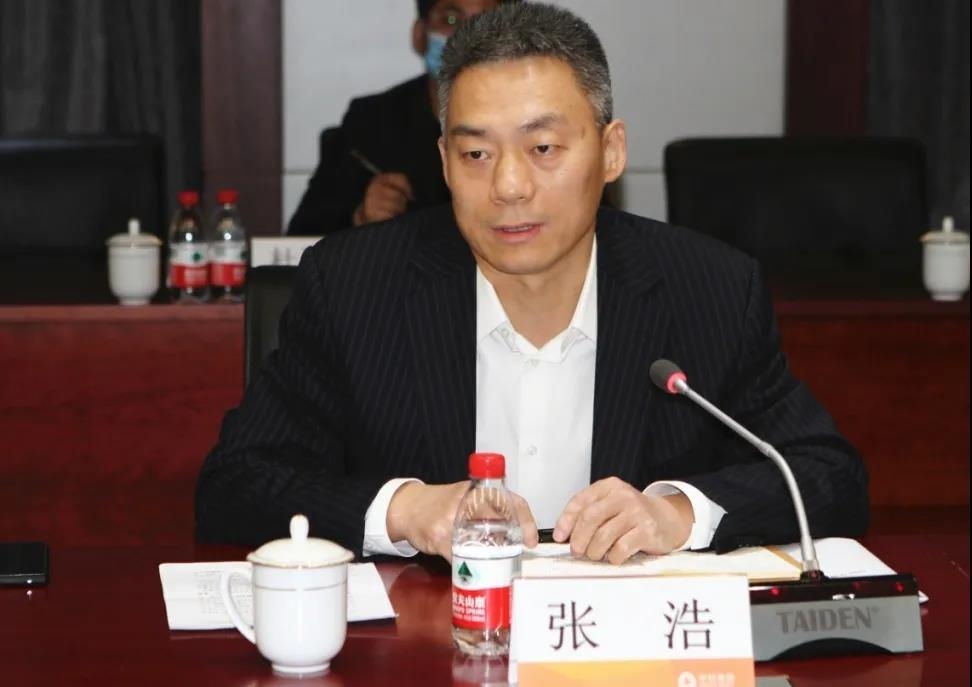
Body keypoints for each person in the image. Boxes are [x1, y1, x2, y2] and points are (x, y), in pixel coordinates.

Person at [197, 2, 868, 564]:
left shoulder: (709, 289)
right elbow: (235, 483)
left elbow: (828, 475)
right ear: (443, 162)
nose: (510, 186)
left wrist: (677, 514)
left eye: (543, 148)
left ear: (611, 151)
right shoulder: (353, 287)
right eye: (476, 153)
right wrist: (406, 509)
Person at [286, 0, 514, 236]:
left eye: (487, 23)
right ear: (419, 35)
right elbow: (301, 237)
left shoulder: (534, 120)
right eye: (451, 20)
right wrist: (359, 217)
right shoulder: (372, 122)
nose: (468, 37)